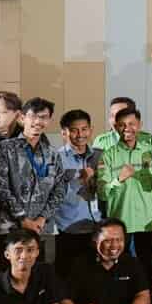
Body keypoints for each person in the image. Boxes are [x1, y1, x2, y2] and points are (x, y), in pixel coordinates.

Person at [0, 97, 67, 268]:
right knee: (10, 274)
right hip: (11, 228)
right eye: (33, 116)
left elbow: (60, 188)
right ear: (22, 118)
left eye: (44, 117)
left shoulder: (52, 154)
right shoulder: (5, 148)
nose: (38, 122)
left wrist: (42, 218)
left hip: (43, 228)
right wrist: (23, 218)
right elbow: (0, 187)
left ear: (49, 120)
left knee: (43, 275)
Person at [96, 106, 152, 266]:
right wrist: (119, 179)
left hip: (147, 223)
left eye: (131, 124)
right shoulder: (108, 155)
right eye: (122, 125)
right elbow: (102, 193)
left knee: (146, 268)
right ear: (115, 127)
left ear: (139, 125)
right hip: (119, 223)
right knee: (120, 269)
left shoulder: (151, 152)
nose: (127, 128)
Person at [51, 110, 101, 276]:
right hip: (68, 228)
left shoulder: (99, 156)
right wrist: (80, 180)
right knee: (67, 277)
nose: (80, 135)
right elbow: (53, 194)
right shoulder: (56, 158)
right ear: (64, 133)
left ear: (91, 130)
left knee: (92, 276)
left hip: (96, 226)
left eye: (84, 129)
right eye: (74, 130)